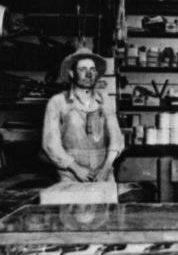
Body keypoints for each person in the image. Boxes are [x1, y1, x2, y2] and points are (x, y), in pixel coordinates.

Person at [42, 47, 124, 182]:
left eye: (92, 69)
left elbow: (116, 138)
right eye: (82, 69)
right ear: (72, 73)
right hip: (70, 175)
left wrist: (106, 168)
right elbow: (50, 144)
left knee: (106, 204)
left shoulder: (105, 100)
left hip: (103, 173)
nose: (89, 74)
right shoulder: (57, 102)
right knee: (72, 204)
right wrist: (75, 168)